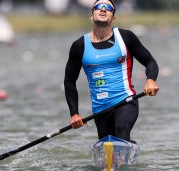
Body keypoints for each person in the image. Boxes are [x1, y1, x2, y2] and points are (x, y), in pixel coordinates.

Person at [64, 0, 159, 143]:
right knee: (107, 144)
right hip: (100, 109)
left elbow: (150, 62)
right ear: (92, 15)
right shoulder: (79, 46)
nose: (103, 9)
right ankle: (123, 151)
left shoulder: (125, 37)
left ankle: (125, 157)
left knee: (122, 127)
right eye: (98, 7)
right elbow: (69, 80)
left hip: (125, 100)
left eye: (108, 8)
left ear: (113, 18)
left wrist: (150, 79)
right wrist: (74, 114)